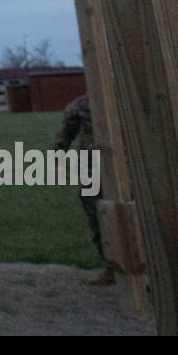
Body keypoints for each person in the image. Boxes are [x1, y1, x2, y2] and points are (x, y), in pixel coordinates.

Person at [53, 94, 114, 286]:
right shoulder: (81, 104)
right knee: (98, 219)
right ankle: (111, 267)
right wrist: (59, 155)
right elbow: (66, 132)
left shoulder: (127, 99)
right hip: (92, 170)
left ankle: (145, 268)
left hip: (127, 168)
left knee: (137, 217)